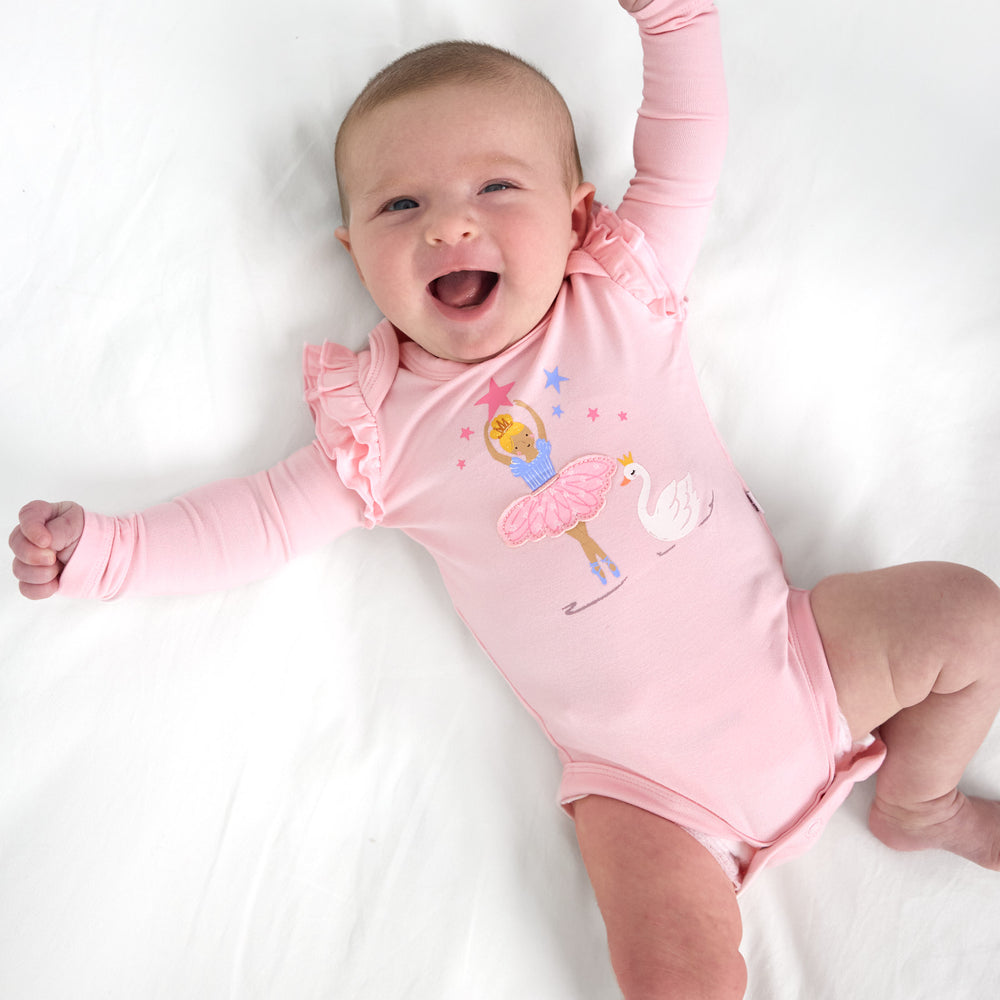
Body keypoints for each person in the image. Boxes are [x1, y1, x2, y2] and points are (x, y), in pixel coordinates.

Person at [10, 1, 1000, 997]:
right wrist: (103, 550)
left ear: (574, 215)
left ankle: (916, 801)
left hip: (803, 662)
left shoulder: (619, 294)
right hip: (648, 794)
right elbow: (257, 524)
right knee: (674, 976)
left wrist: (674, 21)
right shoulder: (382, 432)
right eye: (399, 207)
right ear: (354, 255)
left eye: (494, 185)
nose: (449, 221)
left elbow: (681, 158)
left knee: (970, 618)